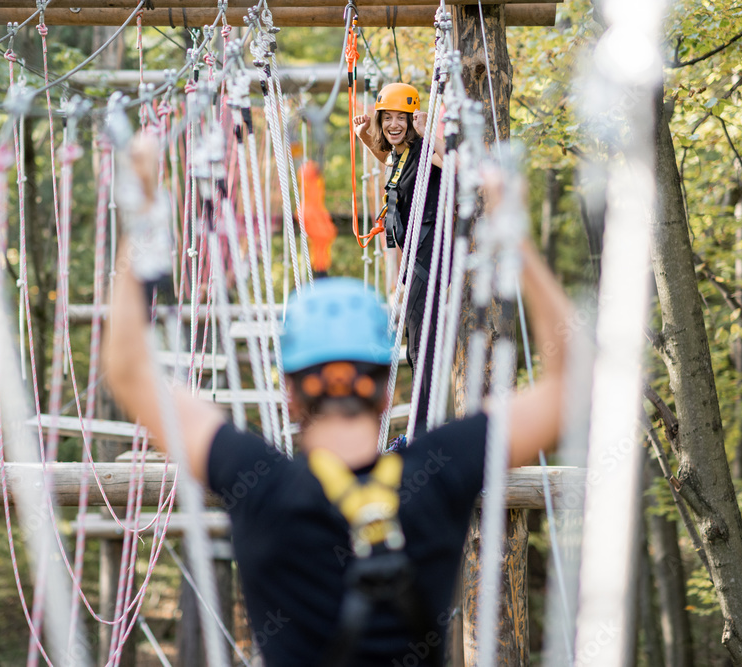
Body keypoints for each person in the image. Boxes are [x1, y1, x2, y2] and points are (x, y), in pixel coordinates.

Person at [104, 136, 573, 667]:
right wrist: (514, 237)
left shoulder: (258, 482)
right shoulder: (441, 471)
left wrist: (142, 217)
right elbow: (573, 385)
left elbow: (128, 371)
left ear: (289, 396)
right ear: (386, 391)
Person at [353, 82, 445, 437]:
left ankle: (424, 432)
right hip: (415, 258)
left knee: (423, 342)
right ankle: (422, 429)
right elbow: (388, 163)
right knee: (414, 341)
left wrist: (428, 132)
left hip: (429, 254)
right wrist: (364, 136)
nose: (393, 124)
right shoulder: (404, 154)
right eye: (387, 118)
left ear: (411, 120)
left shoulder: (424, 149)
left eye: (400, 118)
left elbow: (457, 167)